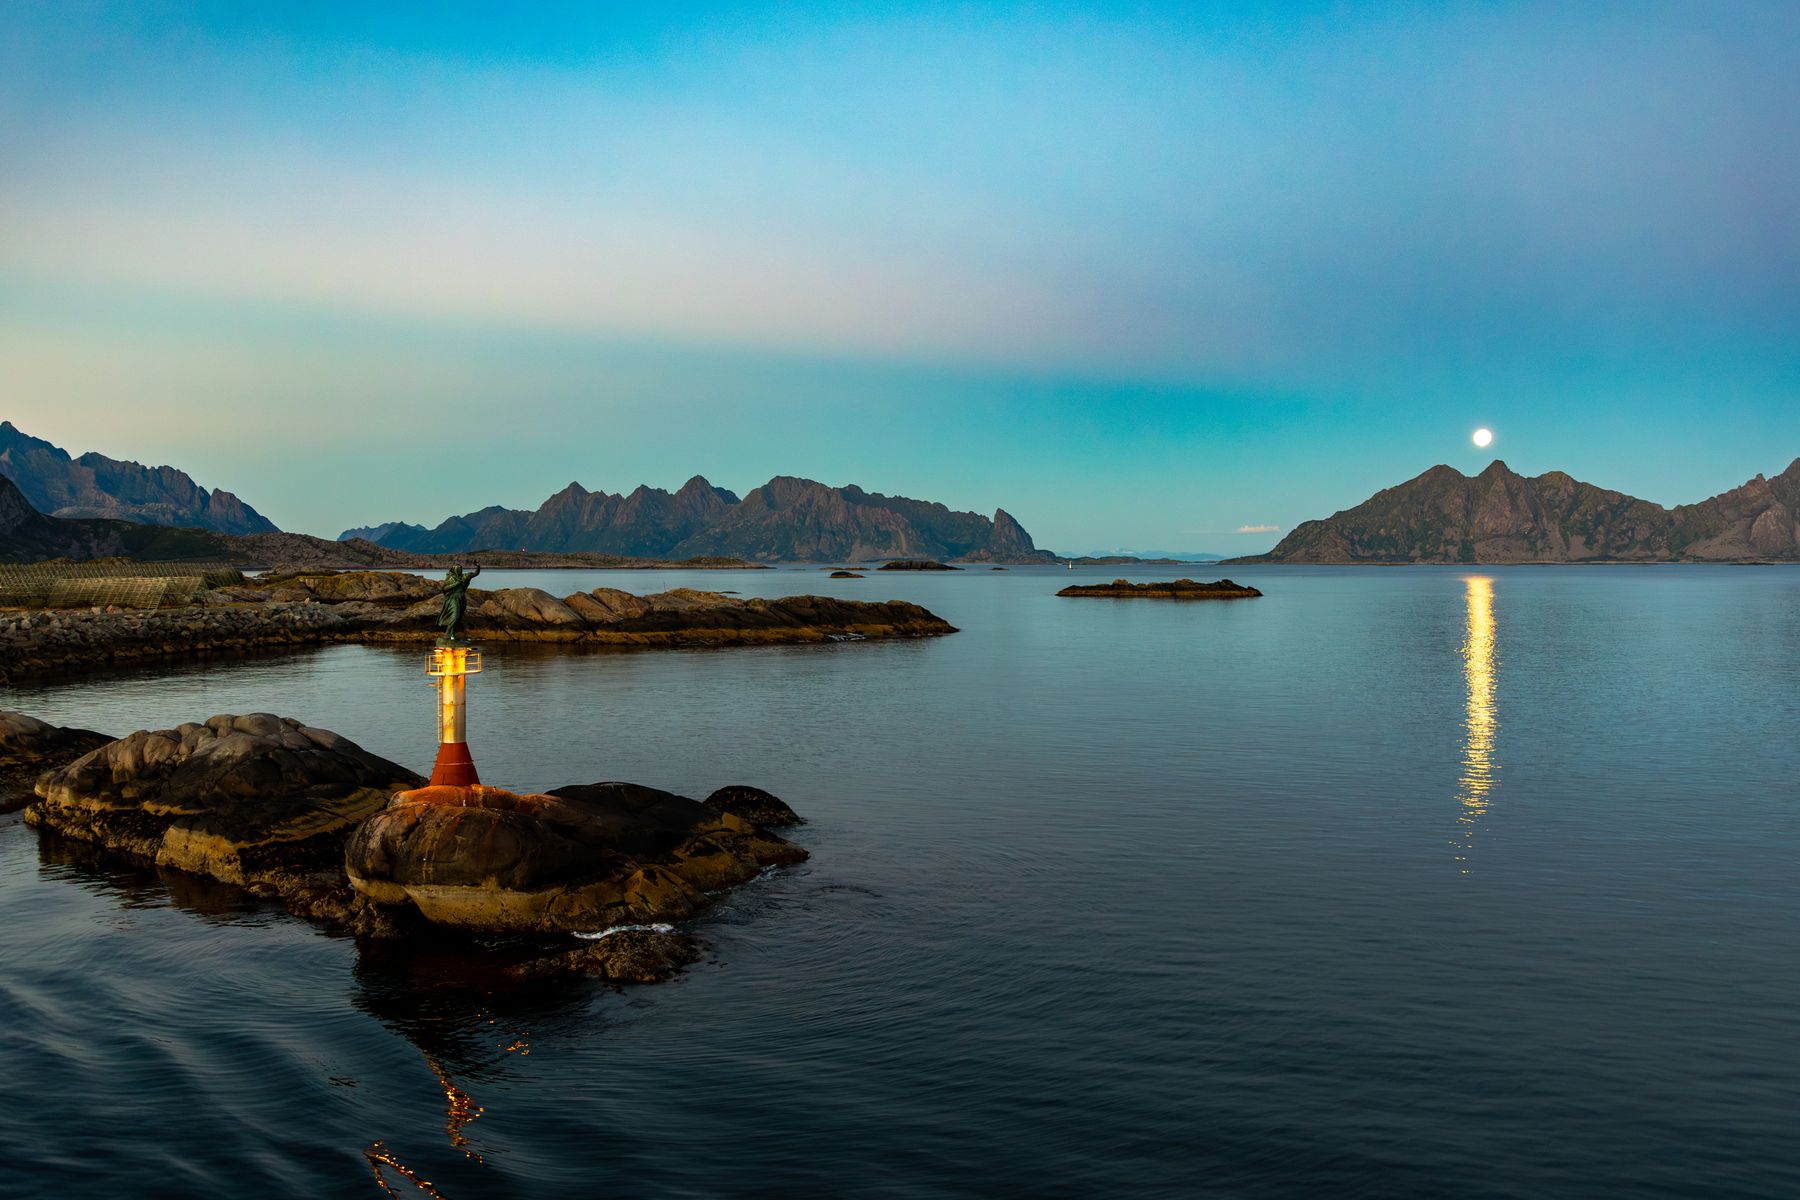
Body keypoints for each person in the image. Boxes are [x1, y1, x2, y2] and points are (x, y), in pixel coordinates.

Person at [437, 563, 481, 641]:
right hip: (453, 598)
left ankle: (452, 633)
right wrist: (455, 584)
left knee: (458, 618)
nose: (459, 570)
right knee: (455, 616)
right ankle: (447, 633)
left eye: (460, 569)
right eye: (457, 569)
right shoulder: (451, 578)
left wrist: (477, 566)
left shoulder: (464, 577)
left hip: (462, 598)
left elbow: (475, 573)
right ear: (454, 570)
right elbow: (444, 589)